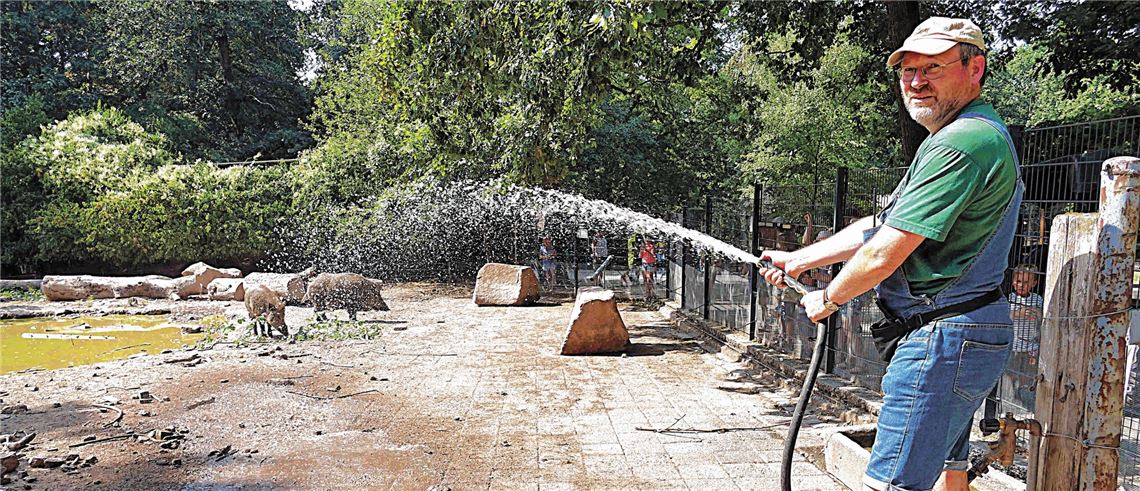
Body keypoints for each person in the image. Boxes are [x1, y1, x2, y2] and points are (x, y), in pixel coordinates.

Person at [759, 18, 1021, 491]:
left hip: (943, 338)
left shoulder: (962, 143)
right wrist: (799, 261)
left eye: (933, 68)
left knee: (892, 483)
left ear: (975, 67)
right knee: (950, 470)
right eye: (908, 71)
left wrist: (830, 298)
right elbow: (876, 228)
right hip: (961, 332)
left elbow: (885, 252)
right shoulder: (962, 135)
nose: (917, 82)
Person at [1008, 264, 1043, 411]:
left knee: (1028, 374)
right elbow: (1007, 316)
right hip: (1015, 344)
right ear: (1013, 282)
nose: (1021, 285)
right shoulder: (1011, 298)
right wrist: (1019, 313)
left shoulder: (1037, 299)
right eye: (1018, 281)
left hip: (1031, 345)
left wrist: (1037, 313)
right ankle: (1013, 399)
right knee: (1012, 373)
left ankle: (1026, 401)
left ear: (1034, 283)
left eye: (1026, 282)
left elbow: (1042, 317)